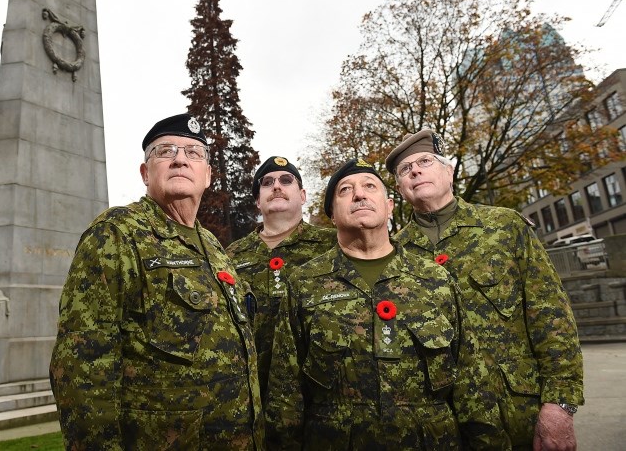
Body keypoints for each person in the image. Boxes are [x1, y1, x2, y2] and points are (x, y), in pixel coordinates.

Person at [50, 113, 264, 450]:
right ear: (145, 172)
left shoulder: (212, 246)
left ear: (207, 176)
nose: (180, 159)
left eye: (194, 153)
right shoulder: (117, 233)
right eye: (165, 151)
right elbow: (82, 366)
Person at [265, 158, 507, 450]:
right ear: (331, 214)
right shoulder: (304, 284)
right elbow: (285, 395)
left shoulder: (435, 279)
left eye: (370, 186)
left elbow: (473, 386)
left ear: (389, 205)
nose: (359, 194)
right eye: (345, 190)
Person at [385, 129, 584, 451]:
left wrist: (560, 403)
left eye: (424, 161)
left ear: (449, 171)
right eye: (405, 170)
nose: (416, 171)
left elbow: (551, 315)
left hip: (517, 413)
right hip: (435, 425)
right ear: (399, 188)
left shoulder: (505, 226)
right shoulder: (393, 252)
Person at [227, 156, 337, 399]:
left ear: (303, 195)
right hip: (249, 393)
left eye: (286, 180)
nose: (276, 186)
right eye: (267, 183)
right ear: (257, 201)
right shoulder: (231, 256)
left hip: (319, 393)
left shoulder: (332, 246)